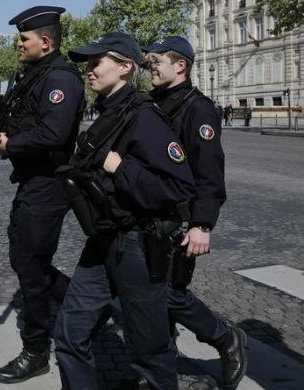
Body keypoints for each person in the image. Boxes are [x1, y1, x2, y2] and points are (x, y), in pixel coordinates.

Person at [53, 32, 196, 390]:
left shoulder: (144, 118)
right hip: (103, 239)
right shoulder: (107, 114)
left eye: (96, 61)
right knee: (70, 334)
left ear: (125, 67)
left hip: (137, 245)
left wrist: (122, 169)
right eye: (87, 63)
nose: (89, 70)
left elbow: (179, 187)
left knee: (150, 350)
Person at [144, 36, 246, 390]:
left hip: (179, 218)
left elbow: (209, 170)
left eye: (156, 63)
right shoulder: (151, 102)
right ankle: (163, 368)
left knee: (170, 293)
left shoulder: (197, 108)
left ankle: (223, 337)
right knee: (153, 295)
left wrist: (202, 224)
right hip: (149, 213)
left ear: (180, 65)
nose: (150, 69)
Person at [0, 5, 85, 384]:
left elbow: (55, 134)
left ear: (45, 42)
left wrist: (11, 144)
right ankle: (87, 302)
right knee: (23, 257)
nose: (18, 44)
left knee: (30, 269)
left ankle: (36, 351)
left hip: (49, 185)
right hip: (33, 182)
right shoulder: (38, 75)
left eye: (23, 38)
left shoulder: (61, 78)